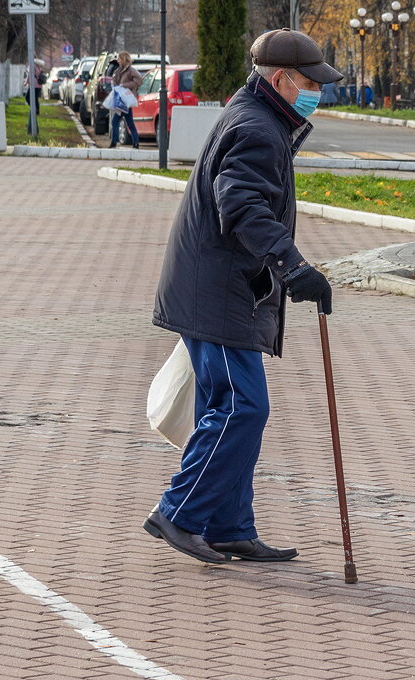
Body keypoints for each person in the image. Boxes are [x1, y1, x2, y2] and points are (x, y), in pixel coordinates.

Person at [145, 28, 342, 565]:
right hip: (219, 292)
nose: (316, 93)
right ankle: (179, 512)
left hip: (221, 288)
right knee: (243, 408)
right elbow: (243, 206)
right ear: (280, 81)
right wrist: (293, 265)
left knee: (225, 404)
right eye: (310, 82)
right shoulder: (258, 127)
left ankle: (230, 525)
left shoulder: (259, 116)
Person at [109, 51, 143, 149]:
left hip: (126, 100)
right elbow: (115, 83)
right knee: (129, 122)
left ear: (123, 59)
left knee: (115, 121)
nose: (118, 61)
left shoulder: (131, 70)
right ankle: (135, 143)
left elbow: (139, 81)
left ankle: (114, 142)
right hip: (120, 99)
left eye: (119, 59)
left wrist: (125, 86)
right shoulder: (118, 71)